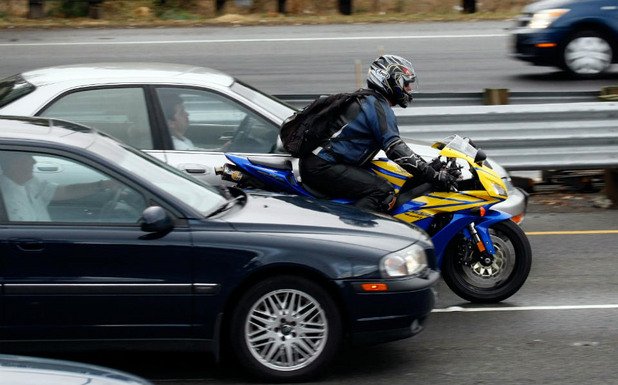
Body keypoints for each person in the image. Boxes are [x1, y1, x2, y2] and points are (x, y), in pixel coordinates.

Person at [299, 54, 458, 213]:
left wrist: (432, 167)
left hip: (322, 163)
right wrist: (434, 176)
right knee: (383, 192)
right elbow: (397, 151)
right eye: (406, 83)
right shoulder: (377, 107)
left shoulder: (370, 100)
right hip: (322, 166)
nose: (409, 89)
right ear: (390, 81)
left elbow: (398, 149)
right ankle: (355, 235)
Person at [0, 152, 117, 222]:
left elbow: (65, 191)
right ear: (13, 164)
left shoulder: (30, 183)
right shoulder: (4, 194)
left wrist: (102, 185)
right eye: (27, 158)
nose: (34, 161)